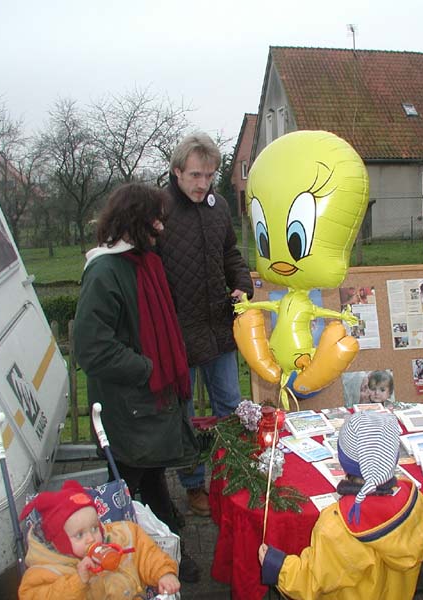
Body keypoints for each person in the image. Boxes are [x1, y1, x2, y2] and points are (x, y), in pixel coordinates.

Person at [72, 183, 201, 582]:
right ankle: (121, 565)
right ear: (134, 221)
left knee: (152, 478)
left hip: (150, 404)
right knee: (124, 490)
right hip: (129, 406)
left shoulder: (145, 262)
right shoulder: (105, 272)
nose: (161, 227)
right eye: (154, 220)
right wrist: (147, 368)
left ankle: (167, 554)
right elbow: (92, 348)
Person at [157, 132, 254, 518]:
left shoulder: (218, 206)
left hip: (219, 328)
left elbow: (230, 253)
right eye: (195, 175)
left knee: (230, 406)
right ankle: (194, 485)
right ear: (177, 171)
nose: (203, 184)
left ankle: (235, 476)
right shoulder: (159, 209)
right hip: (178, 333)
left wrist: (242, 284)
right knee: (182, 416)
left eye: (210, 175)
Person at [258, 412, 423, 599]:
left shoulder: (338, 528)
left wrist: (277, 567)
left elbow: (313, 581)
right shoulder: (415, 500)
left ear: (344, 462)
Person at [18, 480, 180, 599]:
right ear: (60, 541)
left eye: (94, 528)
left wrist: (164, 573)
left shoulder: (121, 535)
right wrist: (79, 581)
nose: (91, 538)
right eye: (79, 535)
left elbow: (147, 554)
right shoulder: (46, 570)